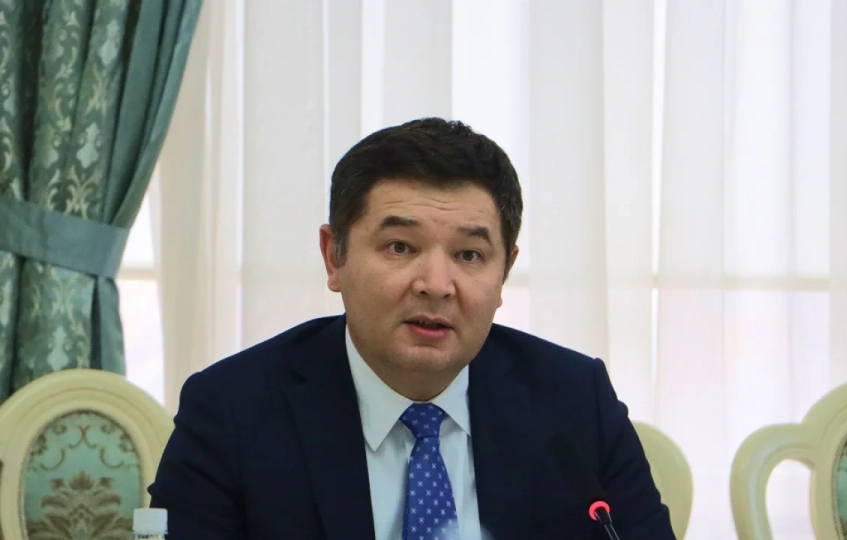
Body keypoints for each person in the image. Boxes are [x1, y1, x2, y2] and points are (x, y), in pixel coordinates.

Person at [148, 118, 675, 539]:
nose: (436, 285)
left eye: (470, 255)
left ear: (504, 272)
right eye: (400, 247)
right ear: (334, 257)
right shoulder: (231, 412)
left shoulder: (574, 401)